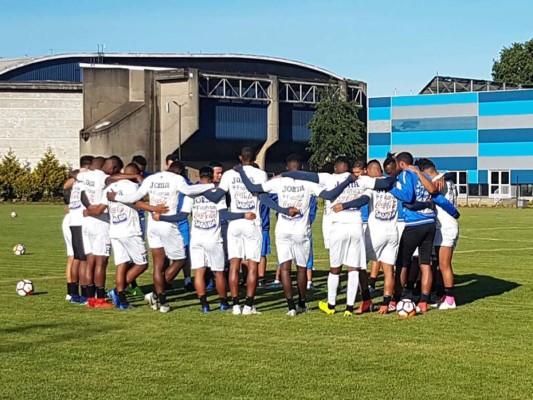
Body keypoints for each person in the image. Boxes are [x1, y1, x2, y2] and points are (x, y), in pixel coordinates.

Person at [237, 154, 354, 316]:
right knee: (301, 268)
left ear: (286, 168)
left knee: (284, 268)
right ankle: (301, 303)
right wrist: (347, 182)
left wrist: (241, 172)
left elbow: (255, 190)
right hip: (301, 231)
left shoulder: (278, 182)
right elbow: (329, 195)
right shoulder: (308, 183)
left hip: (283, 229)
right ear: (302, 169)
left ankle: (290, 306)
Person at [107, 161, 214, 312]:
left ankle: (161, 301)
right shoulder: (177, 179)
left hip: (153, 225)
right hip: (167, 224)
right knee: (181, 259)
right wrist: (212, 185)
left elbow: (135, 197)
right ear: (180, 172)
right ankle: (158, 295)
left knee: (158, 264)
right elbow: (189, 191)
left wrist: (116, 197)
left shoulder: (152, 179)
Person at [202, 147, 297, 315]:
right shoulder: (260, 174)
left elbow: (217, 196)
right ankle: (248, 305)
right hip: (253, 221)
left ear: (240, 157)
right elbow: (264, 198)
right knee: (253, 265)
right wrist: (283, 210)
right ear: (254, 159)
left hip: (234, 223)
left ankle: (236, 305)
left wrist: (199, 190)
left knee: (234, 265)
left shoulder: (229, 175)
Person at [154, 166, 255, 313]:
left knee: (199, 272)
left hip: (197, 239)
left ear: (200, 176)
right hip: (213, 238)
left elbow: (182, 216)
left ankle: (204, 305)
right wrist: (242, 215)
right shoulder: (217, 194)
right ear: (212, 177)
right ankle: (222, 303)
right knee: (218, 272)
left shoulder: (191, 194)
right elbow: (224, 215)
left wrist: (161, 217)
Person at [85, 163, 167, 310]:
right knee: (142, 264)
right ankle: (116, 291)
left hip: (115, 231)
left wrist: (88, 211)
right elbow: (139, 203)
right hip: (130, 231)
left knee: (121, 264)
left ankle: (122, 300)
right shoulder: (132, 187)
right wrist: (155, 208)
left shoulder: (110, 188)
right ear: (135, 174)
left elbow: (99, 209)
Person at [415, 158, 460, 310]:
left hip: (445, 226)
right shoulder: (446, 179)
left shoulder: (437, 182)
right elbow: (450, 175)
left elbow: (432, 190)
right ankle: (443, 295)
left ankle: (450, 300)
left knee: (444, 264)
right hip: (446, 226)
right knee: (439, 264)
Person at [64, 155, 94, 303]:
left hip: (73, 221)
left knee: (77, 258)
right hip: (81, 221)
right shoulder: (85, 179)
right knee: (84, 259)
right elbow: (84, 197)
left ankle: (74, 293)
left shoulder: (77, 180)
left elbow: (66, 186)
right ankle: (85, 295)